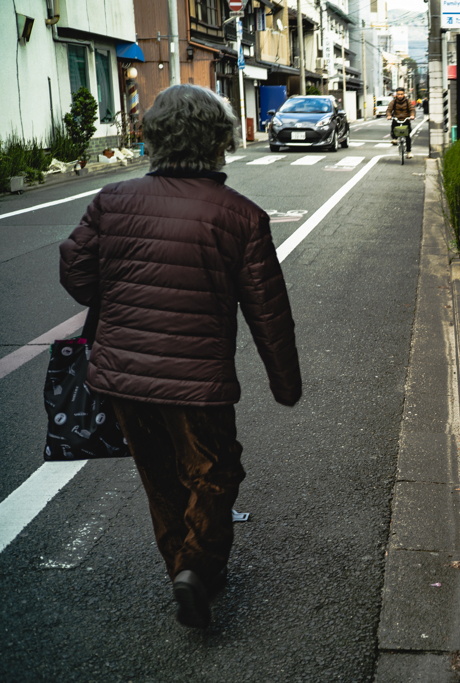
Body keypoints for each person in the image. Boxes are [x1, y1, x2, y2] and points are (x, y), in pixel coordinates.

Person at [59, 84, 302, 629]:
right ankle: (197, 569)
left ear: (155, 139)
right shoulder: (240, 215)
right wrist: (285, 383)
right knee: (215, 472)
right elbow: (269, 312)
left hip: (122, 376)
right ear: (219, 141)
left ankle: (182, 572)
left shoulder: (111, 202)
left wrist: (116, 290)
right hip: (197, 384)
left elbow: (75, 271)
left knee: (161, 479)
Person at [386, 87, 416, 158]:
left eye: (401, 94)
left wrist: (412, 115)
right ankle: (394, 138)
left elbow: (412, 109)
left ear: (404, 94)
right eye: (398, 94)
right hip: (397, 119)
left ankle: (409, 152)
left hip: (406, 119)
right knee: (393, 124)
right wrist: (389, 115)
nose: (399, 96)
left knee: (407, 136)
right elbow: (388, 110)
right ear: (396, 94)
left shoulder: (407, 101)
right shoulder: (393, 102)